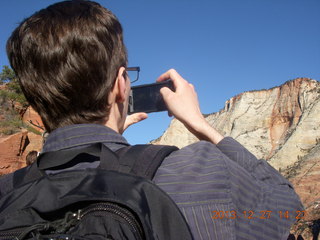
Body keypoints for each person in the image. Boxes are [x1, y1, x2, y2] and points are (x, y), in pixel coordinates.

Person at [0, 1, 303, 239]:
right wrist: (200, 125)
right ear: (121, 85)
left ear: (35, 102)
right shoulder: (199, 170)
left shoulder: (7, 191)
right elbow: (288, 206)